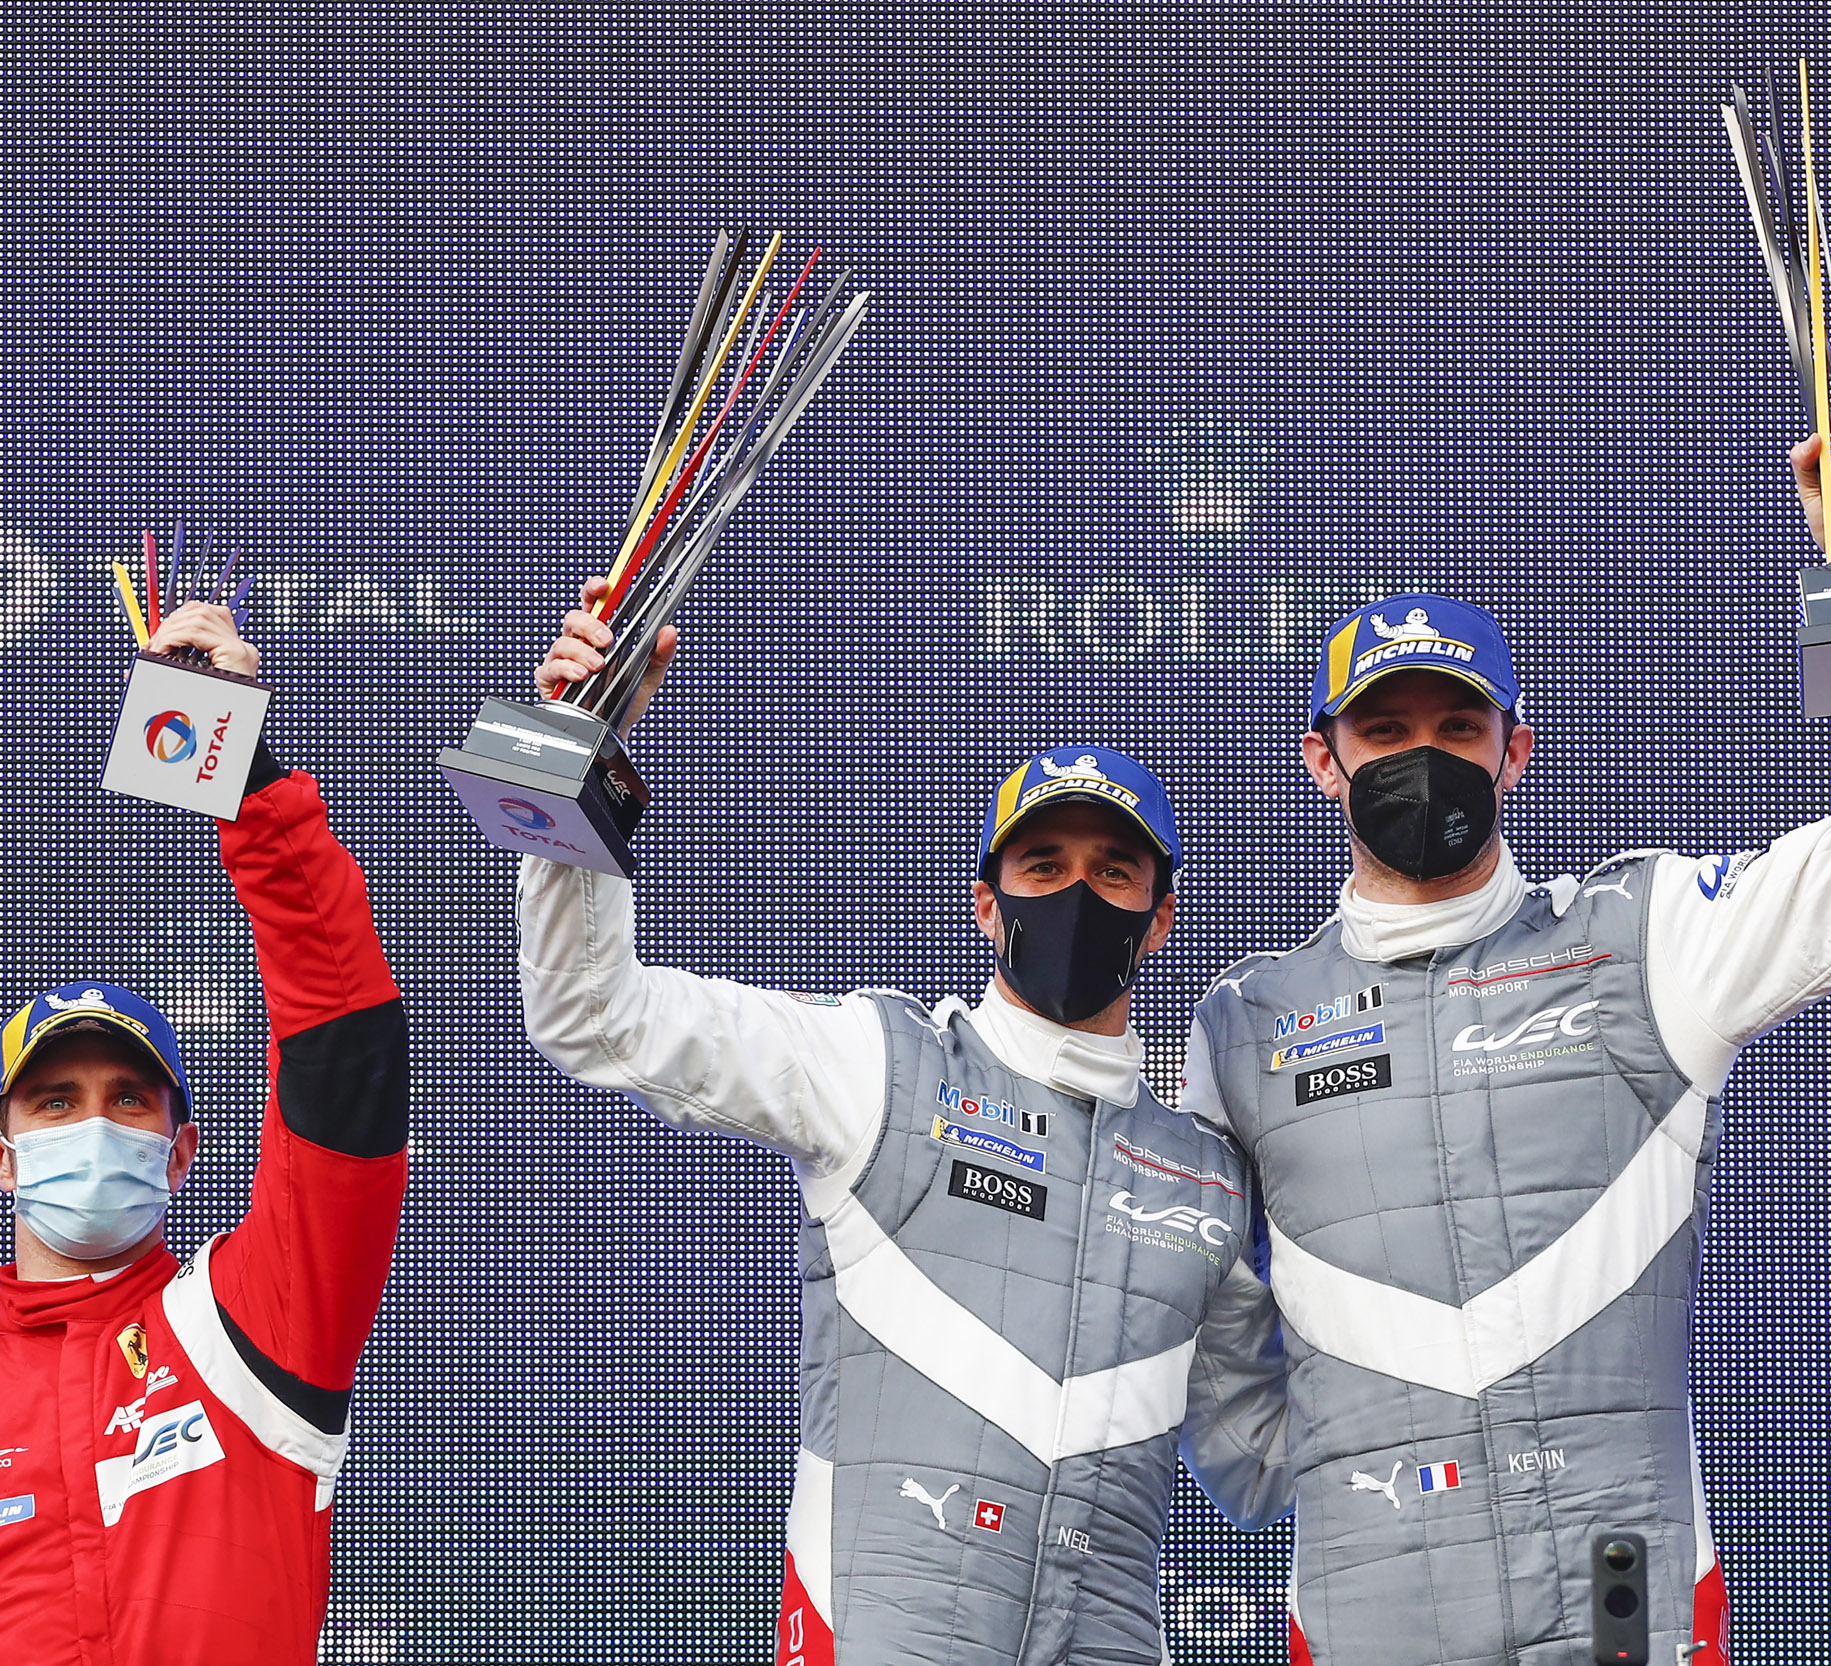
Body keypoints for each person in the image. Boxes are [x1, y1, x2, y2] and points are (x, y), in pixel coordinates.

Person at [1183, 409, 1831, 1663]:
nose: (1425, 758)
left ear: (1515, 751)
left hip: (1617, 1603)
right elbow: (1190, 1298)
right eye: (1386, 732)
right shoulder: (1242, 1021)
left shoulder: (1645, 939)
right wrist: (1305, 1464)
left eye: (1458, 729)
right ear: (1324, 760)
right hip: (1364, 1616)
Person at [518, 577, 1287, 1666]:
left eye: (1113, 872)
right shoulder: (881, 1061)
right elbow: (593, 1017)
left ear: (1160, 918)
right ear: (987, 900)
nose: (1077, 891)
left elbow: (1258, 1457)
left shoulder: (1202, 1175)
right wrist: (574, 771)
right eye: (1043, 865)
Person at [0, 603, 409, 1665]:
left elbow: (346, 1051)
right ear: (3, 1156)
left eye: (130, 1099)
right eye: (54, 1100)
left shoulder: (254, 1320)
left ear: (184, 1150)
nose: (94, 1119)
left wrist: (239, 774)